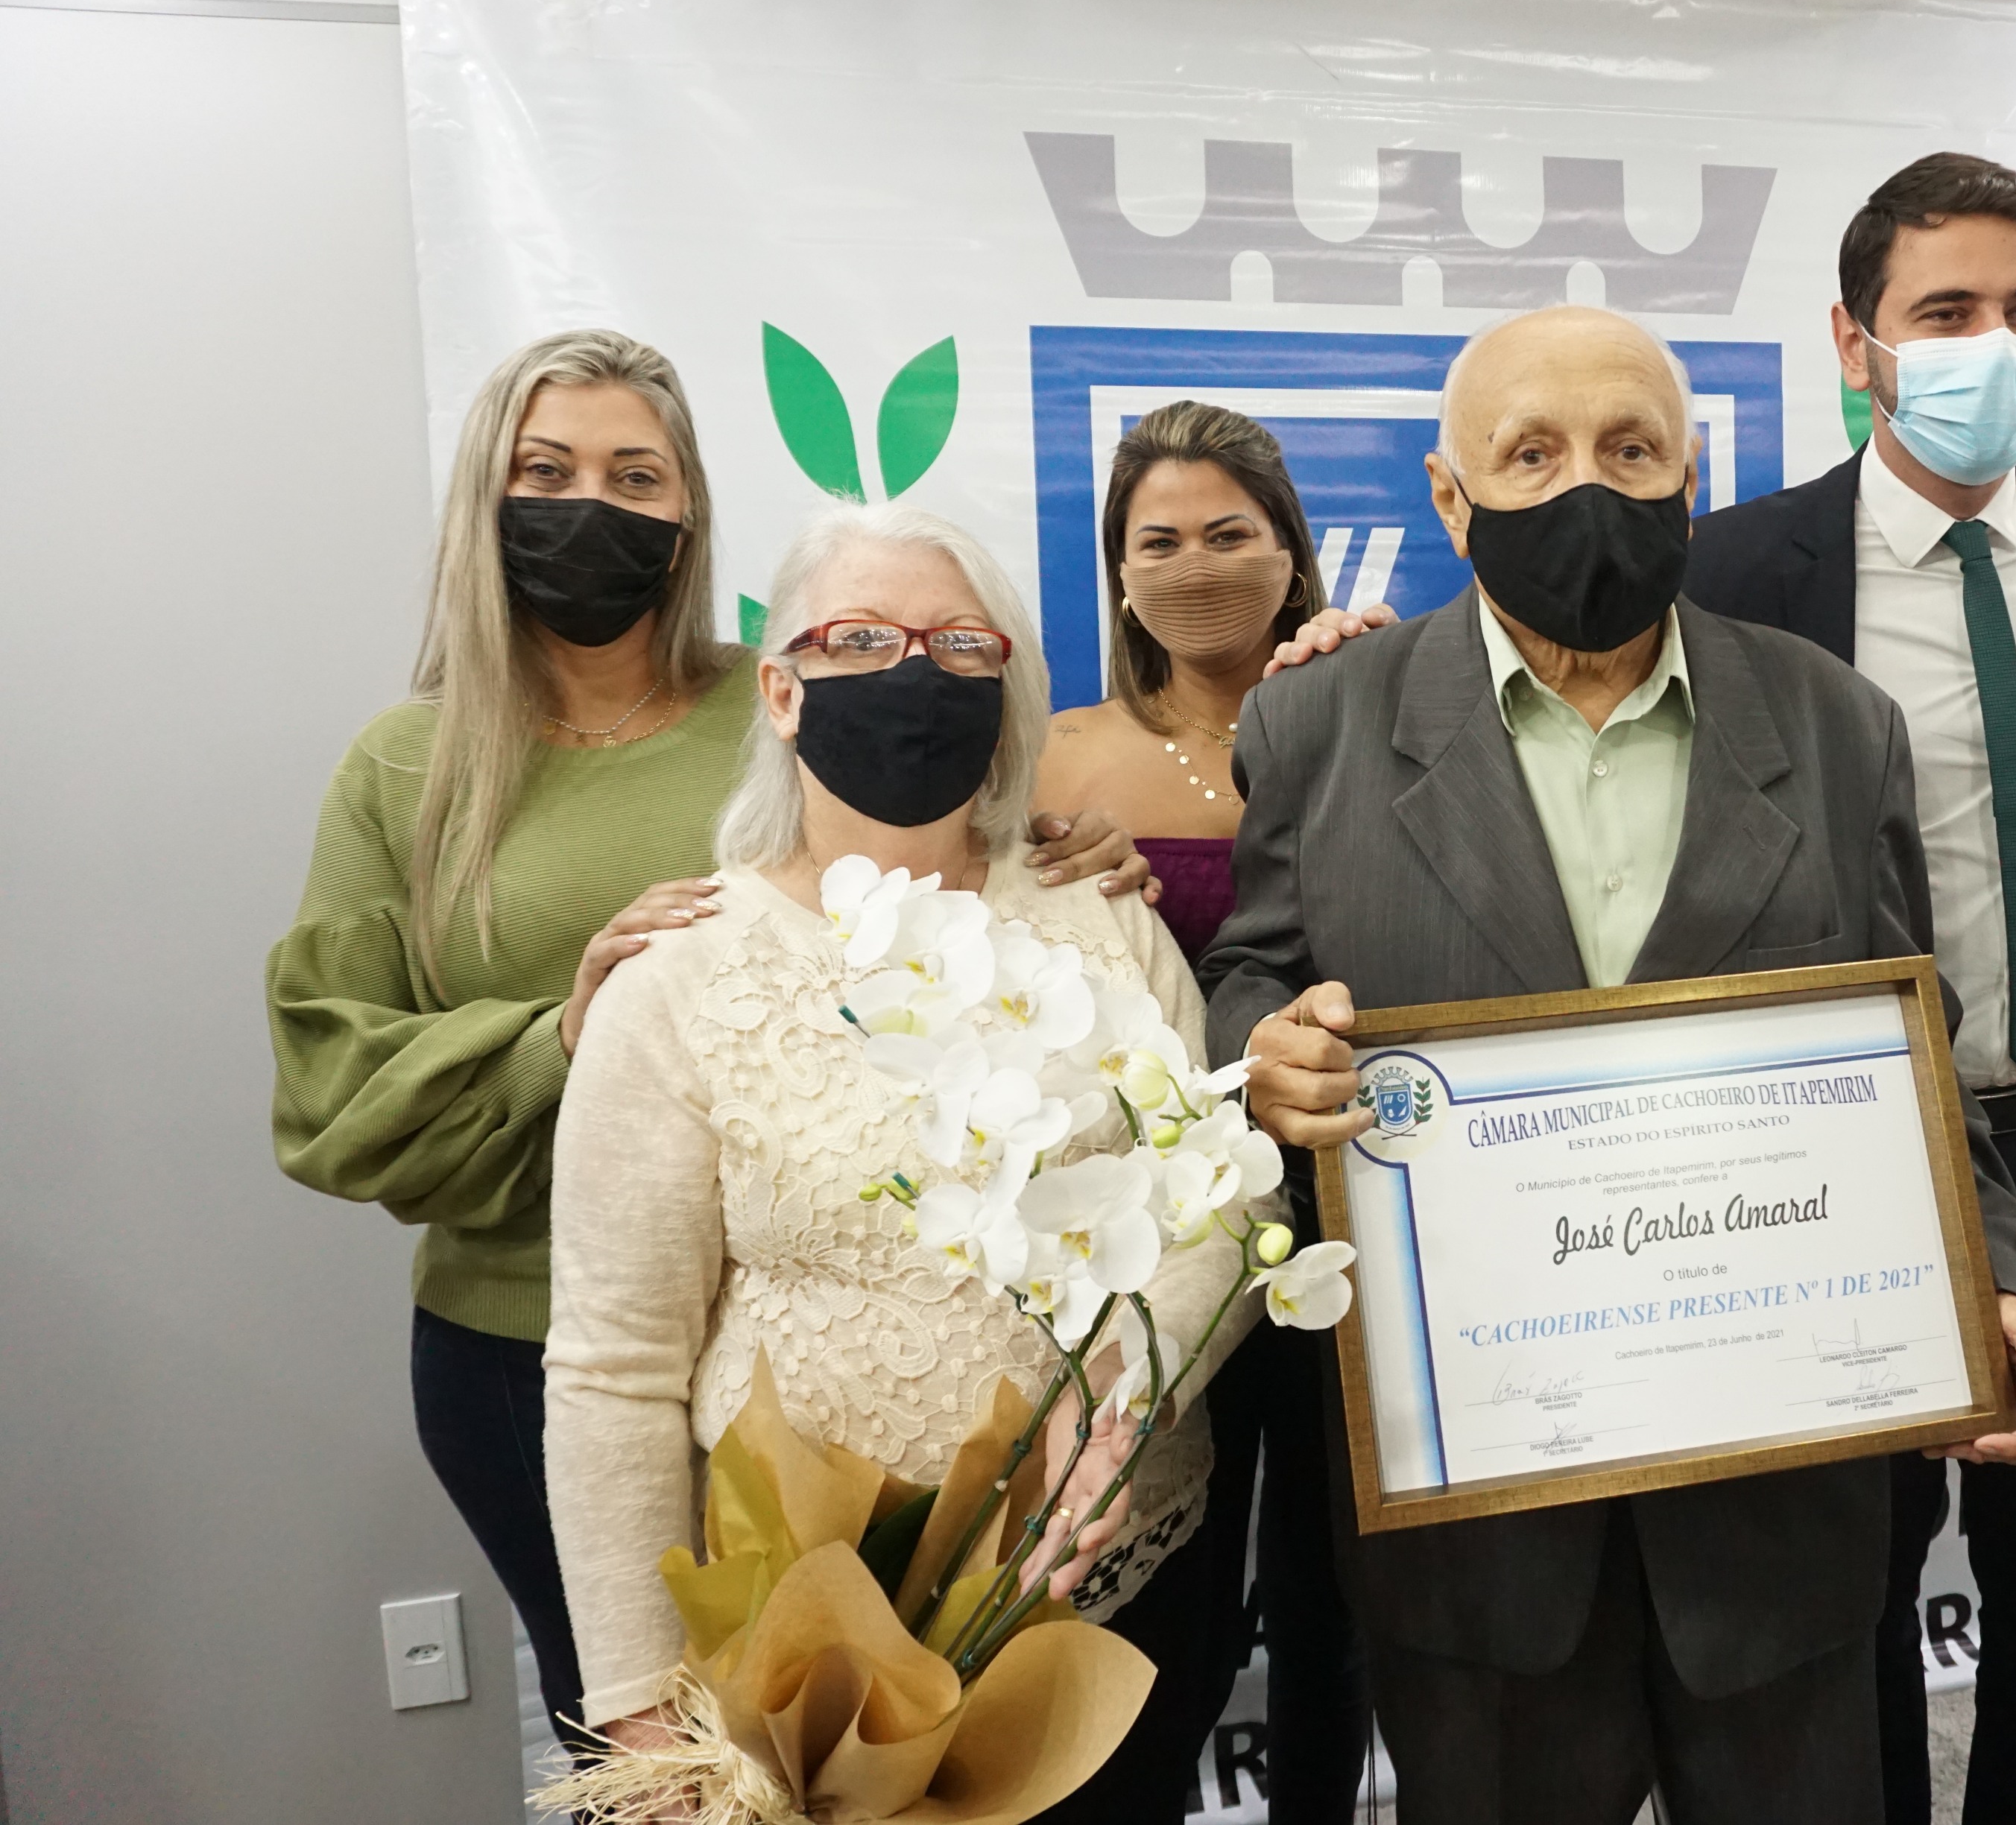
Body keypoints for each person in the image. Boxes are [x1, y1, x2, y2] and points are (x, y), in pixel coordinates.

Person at [1199, 303, 2016, 1825]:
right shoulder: (1317, 723)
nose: (1585, 488)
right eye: (1529, 456)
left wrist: (1992, 1272)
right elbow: (1251, 973)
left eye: (1629, 448)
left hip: (1775, 1502)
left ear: (1690, 476)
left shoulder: (1836, 721)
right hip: (1479, 1514)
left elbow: (1909, 1043)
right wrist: (1257, 1058)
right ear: (1450, 497)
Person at [265, 330, 1146, 1747]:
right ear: (486, 493)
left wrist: (1071, 848)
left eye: (637, 476)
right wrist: (563, 1033)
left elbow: (938, 853)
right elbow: (331, 1089)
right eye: (547, 472)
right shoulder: (408, 764)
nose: (592, 506)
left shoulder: (803, 683)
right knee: (668, 1739)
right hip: (528, 1333)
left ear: (688, 512)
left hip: (813, 1310)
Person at [543, 500, 1265, 1823]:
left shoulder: (1100, 919)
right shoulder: (679, 980)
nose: (914, 673)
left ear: (1004, 688)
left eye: (959, 645)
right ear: (781, 689)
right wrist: (641, 1706)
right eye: (861, 639)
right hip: (806, 1649)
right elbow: (613, 1367)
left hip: (1111, 1597)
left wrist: (1126, 1387)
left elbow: (1215, 1194)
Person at [1686, 154, 2016, 1825]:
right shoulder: (1739, 570)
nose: (1994, 344)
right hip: (1865, 1161)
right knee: (1855, 1604)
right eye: (1947, 310)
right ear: (1858, 342)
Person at [1034, 400, 1374, 1824]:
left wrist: (1385, 680)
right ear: (1117, 574)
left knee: (1334, 1587)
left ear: (1292, 548)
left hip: (1352, 1206)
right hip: (1156, 1239)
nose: (1195, 567)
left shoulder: (1373, 704)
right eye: (1158, 542)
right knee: (1164, 1583)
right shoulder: (1056, 756)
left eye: (1230, 534)